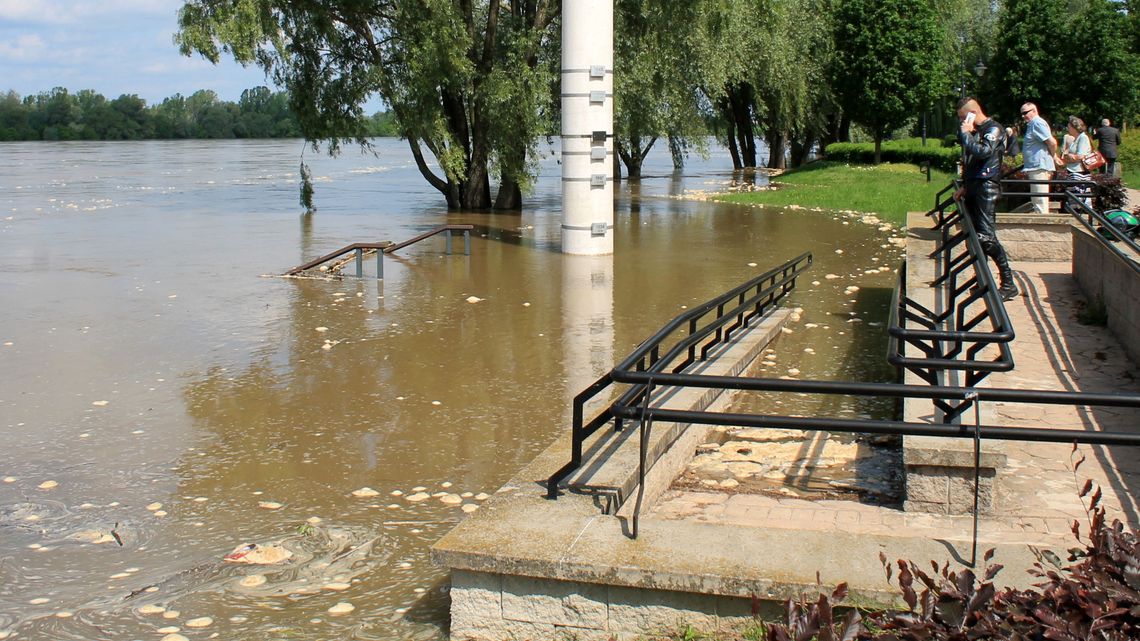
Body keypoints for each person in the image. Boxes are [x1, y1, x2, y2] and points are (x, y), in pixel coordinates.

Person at [956, 97, 1018, 301]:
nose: (962, 122)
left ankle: (1008, 284)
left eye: (963, 118)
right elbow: (971, 161)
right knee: (975, 238)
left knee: (986, 237)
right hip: (974, 186)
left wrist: (966, 134)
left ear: (972, 113)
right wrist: (965, 186)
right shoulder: (978, 131)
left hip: (987, 188)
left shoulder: (993, 129)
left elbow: (983, 152)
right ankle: (982, 279)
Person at [1020, 102, 1057, 215]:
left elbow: (1052, 142)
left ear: (1034, 111)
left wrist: (1053, 156)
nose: (1023, 116)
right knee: (1037, 201)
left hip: (1039, 167)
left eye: (1025, 113)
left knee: (1040, 201)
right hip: (1035, 167)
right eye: (1022, 114)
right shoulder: (1032, 124)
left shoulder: (1037, 123)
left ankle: (1043, 223)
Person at [1056, 116, 1093, 211]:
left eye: (1069, 127)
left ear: (1074, 128)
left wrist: (1069, 157)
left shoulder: (1083, 138)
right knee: (1074, 201)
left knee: (1079, 200)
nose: (1067, 129)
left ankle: (1082, 215)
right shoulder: (1076, 139)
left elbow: (1080, 156)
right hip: (1073, 171)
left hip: (1079, 173)